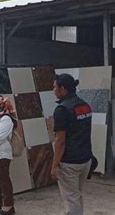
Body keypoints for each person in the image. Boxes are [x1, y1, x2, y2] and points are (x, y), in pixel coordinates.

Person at [51, 74, 92, 215]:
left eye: (54, 87)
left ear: (62, 89)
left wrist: (55, 165)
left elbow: (60, 141)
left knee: (72, 199)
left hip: (69, 163)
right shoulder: (84, 105)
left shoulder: (62, 110)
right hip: (85, 159)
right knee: (76, 195)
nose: (53, 90)